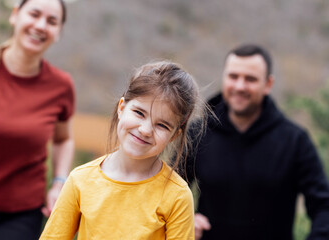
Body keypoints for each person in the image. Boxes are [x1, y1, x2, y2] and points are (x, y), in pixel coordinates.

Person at [40, 61, 207, 239]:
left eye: (162, 125)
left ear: (174, 135)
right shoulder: (80, 180)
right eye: (139, 113)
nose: (145, 130)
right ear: (121, 108)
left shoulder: (178, 196)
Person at [188, 44, 329, 240]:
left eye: (250, 79)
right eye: (233, 76)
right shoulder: (198, 132)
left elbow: (323, 206)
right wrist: (185, 220)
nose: (239, 86)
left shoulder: (295, 140)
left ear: (268, 84)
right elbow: (166, 191)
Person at [0, 0, 75, 239]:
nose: (40, 26)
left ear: (58, 32)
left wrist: (59, 182)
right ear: (15, 15)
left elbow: (63, 139)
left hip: (20, 214)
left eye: (51, 21)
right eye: (34, 14)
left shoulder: (61, 86)